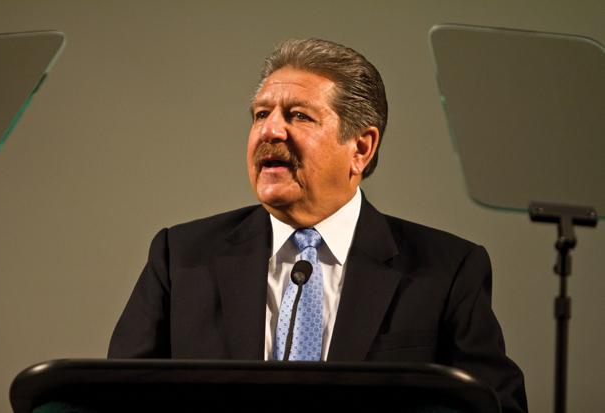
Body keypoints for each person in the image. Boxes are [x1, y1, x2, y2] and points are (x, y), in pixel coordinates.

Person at [108, 38, 528, 412]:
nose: (270, 130)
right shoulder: (181, 257)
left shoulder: (447, 270)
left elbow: (496, 404)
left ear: (361, 148)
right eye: (260, 115)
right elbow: (110, 400)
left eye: (299, 116)